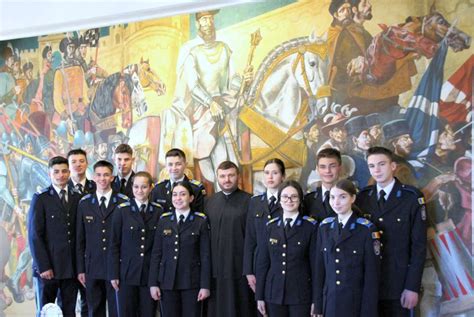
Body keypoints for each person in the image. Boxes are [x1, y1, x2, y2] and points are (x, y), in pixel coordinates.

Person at [356, 146, 426, 316]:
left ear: (393, 166)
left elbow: (419, 246)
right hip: (369, 284)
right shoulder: (363, 198)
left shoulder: (411, 198)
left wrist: (412, 287)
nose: (377, 170)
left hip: (399, 285)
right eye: (372, 166)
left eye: (382, 164)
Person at [314, 179, 380, 317]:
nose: (336, 202)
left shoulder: (366, 229)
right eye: (332, 197)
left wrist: (368, 312)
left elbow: (371, 276)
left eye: (342, 197)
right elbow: (319, 270)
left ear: (353, 198)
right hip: (330, 302)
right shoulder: (324, 227)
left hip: (355, 304)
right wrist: (318, 307)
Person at [28, 156, 81, 317]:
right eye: (56, 172)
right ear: (50, 173)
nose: (61, 175)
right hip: (48, 269)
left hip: (70, 269)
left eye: (64, 171)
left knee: (69, 311)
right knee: (47, 311)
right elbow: (35, 236)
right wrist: (43, 266)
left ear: (69, 172)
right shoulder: (41, 198)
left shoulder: (77, 197)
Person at [256, 180, 318, 317]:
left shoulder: (310, 227)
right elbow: (262, 263)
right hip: (273, 293)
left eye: (294, 196)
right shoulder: (270, 226)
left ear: (300, 199)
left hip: (301, 294)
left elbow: (316, 266)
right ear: (279, 200)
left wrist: (316, 300)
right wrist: (259, 296)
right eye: (285, 196)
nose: (289, 200)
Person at [149, 181, 211, 316]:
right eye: (175, 195)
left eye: (182, 194)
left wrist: (205, 285)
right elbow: (156, 254)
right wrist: (153, 283)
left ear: (191, 198)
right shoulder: (164, 220)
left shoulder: (200, 221)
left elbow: (205, 256)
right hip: (167, 282)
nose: (178, 198)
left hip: (192, 281)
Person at [76, 160, 129, 317]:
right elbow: (80, 240)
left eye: (106, 175)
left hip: (116, 267)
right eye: (98, 175)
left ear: (112, 177)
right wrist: (81, 269)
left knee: (116, 310)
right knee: (94, 310)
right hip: (93, 267)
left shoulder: (123, 202)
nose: (102, 178)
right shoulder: (84, 203)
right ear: (93, 177)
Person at [205, 161, 256, 316]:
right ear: (217, 178)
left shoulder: (251, 201)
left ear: (237, 177)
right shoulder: (209, 202)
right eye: (222, 176)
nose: (226, 179)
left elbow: (253, 238)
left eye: (231, 175)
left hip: (240, 269)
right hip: (215, 270)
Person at [109, 171, 162, 316]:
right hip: (126, 274)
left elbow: (160, 248)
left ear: (151, 187)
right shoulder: (122, 210)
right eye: (136, 187)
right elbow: (114, 244)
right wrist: (113, 274)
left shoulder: (158, 211)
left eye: (144, 187)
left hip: (149, 275)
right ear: (132, 188)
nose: (140, 191)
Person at [243, 158, 286, 295]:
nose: (270, 177)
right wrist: (248, 270)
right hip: (259, 263)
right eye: (267, 173)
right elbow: (250, 239)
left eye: (275, 173)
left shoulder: (289, 200)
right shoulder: (255, 202)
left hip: (282, 263)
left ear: (283, 176)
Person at [151, 148, 206, 214]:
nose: (174, 168)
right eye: (170, 164)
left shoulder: (196, 188)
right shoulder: (158, 188)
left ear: (185, 165)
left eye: (178, 164)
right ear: (165, 166)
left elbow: (200, 216)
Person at [304, 148, 342, 221]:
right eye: (322, 167)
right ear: (318, 169)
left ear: (340, 168)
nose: (327, 171)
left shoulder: (350, 198)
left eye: (332, 166)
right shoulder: (308, 200)